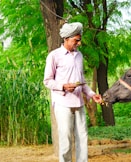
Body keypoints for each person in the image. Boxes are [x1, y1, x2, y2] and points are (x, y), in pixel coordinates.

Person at [43, 22, 103, 162]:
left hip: (79, 103)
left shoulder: (79, 56)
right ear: (66, 39)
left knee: (82, 137)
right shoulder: (54, 56)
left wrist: (92, 94)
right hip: (63, 103)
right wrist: (63, 86)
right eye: (76, 40)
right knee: (66, 139)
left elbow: (81, 81)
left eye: (79, 39)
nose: (79, 43)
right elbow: (47, 81)